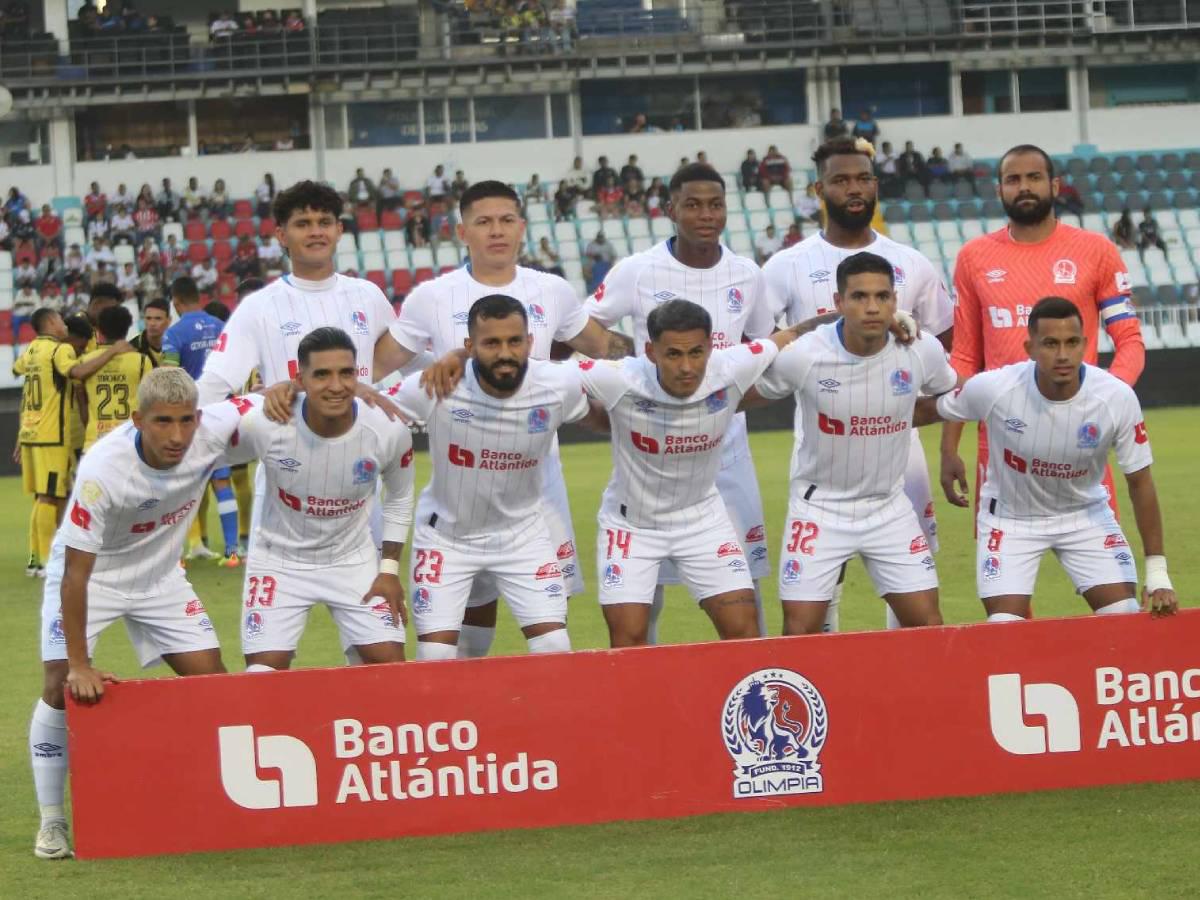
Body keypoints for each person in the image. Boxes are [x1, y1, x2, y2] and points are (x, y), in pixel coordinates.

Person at [370, 181, 615, 658]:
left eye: (506, 220)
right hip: (462, 486)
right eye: (483, 222)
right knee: (469, 623)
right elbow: (376, 366)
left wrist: (681, 366)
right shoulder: (432, 297)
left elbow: (606, 351)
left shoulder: (553, 290)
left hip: (538, 486)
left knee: (550, 629)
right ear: (461, 231)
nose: (496, 231)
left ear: (522, 228)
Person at [27, 367, 258, 860]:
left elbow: (268, 401)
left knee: (213, 681)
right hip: (93, 576)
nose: (177, 436)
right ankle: (52, 822)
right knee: (57, 684)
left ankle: (220, 801)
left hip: (160, 578)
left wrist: (287, 391)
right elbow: (76, 576)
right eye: (162, 422)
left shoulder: (212, 427)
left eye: (186, 421)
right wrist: (78, 663)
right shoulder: (102, 470)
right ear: (138, 419)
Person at [764, 139, 952, 633]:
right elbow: (761, 349)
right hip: (821, 445)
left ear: (875, 184)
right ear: (819, 189)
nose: (854, 188)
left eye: (863, 178)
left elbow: (941, 354)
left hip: (898, 447)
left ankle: (907, 677)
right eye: (841, 179)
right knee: (821, 588)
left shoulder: (912, 262)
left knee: (913, 582)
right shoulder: (785, 265)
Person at [587, 163, 776, 641]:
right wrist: (630, 379)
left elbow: (764, 348)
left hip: (727, 454)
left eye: (715, 204)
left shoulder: (747, 274)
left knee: (744, 591)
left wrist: (727, 403)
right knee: (644, 598)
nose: (705, 215)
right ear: (671, 209)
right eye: (692, 205)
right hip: (651, 455)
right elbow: (584, 328)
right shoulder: (638, 270)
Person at [922, 296, 1176, 621]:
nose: (1062, 355)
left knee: (1124, 617)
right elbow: (928, 409)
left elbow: (1140, 483)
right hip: (1011, 520)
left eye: (1072, 343)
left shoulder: (1116, 397)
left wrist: (1157, 572)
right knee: (1004, 626)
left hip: (1084, 516)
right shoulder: (996, 387)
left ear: (1085, 344)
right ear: (1030, 348)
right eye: (1050, 344)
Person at [579, 300, 812, 646]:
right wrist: (465, 361)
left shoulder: (732, 367)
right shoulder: (618, 377)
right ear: (650, 352)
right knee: (627, 640)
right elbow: (537, 374)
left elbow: (794, 334)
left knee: (744, 630)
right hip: (631, 525)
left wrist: (888, 325)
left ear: (711, 348)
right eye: (673, 354)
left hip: (703, 521)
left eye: (696, 353)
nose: (687, 367)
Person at [942, 144, 1144, 535]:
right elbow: (965, 356)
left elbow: (1129, 340)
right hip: (1000, 438)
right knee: (1004, 590)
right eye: (1013, 180)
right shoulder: (974, 257)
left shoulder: (1096, 251)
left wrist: (1106, 397)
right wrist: (949, 447)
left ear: (1054, 185)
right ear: (999, 190)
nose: (1024, 187)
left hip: (1080, 432)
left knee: (1109, 580)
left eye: (1034, 177)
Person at [387, 295, 604, 660]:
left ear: (530, 344)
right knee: (437, 658)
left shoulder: (557, 384)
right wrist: (294, 395)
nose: (505, 352)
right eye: (491, 343)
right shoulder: (437, 385)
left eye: (514, 341)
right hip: (448, 538)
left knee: (554, 647)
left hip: (523, 536)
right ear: (470, 347)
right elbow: (363, 409)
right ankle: (463, 718)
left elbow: (606, 414)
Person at [229, 327, 414, 671]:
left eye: (346, 373)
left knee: (391, 671)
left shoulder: (387, 428)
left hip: (351, 560)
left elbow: (400, 498)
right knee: (261, 676)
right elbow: (205, 447)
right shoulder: (266, 423)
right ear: (300, 380)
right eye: (322, 375)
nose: (336, 385)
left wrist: (388, 570)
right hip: (278, 561)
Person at [14, 309, 130, 576]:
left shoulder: (32, 349)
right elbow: (76, 372)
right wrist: (112, 352)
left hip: (32, 431)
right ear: (53, 323)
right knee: (50, 495)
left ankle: (37, 558)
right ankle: (44, 561)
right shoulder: (60, 350)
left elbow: (18, 370)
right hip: (53, 433)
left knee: (48, 495)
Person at [162, 277, 241, 566]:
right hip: (221, 415)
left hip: (187, 419)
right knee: (222, 483)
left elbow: (169, 377)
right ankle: (233, 551)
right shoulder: (221, 327)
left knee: (179, 487)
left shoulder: (174, 333)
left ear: (176, 302)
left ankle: (175, 556)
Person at [76, 305, 152, 451]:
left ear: (99, 331)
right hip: (129, 440)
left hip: (95, 441)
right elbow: (148, 403)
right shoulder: (142, 361)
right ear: (127, 330)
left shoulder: (86, 362)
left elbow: (81, 401)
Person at [132, 296, 168, 365]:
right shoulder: (133, 347)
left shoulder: (176, 344)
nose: (152, 323)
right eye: (148, 318)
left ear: (168, 320)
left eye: (158, 318)